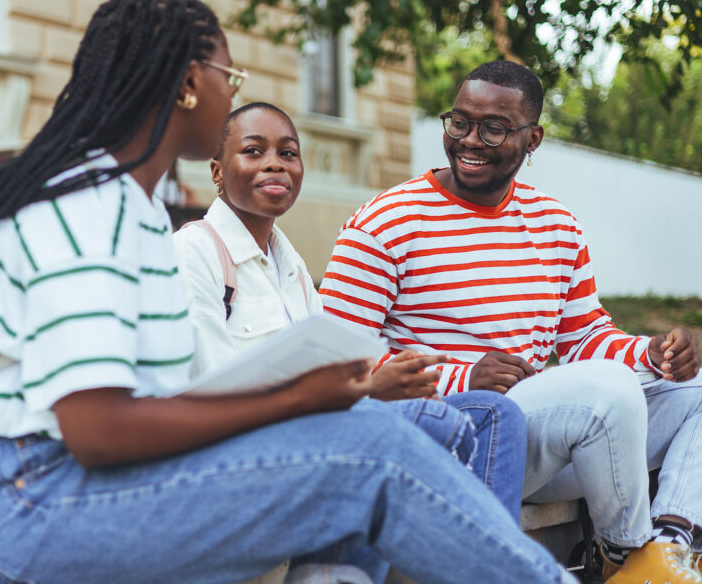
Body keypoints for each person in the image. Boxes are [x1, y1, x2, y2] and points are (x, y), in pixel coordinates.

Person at [0, 0, 584, 584]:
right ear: (188, 85)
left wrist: (316, 401)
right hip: (20, 505)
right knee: (373, 453)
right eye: (228, 79)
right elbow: (97, 431)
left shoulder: (133, 203)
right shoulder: (93, 206)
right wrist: (298, 397)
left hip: (51, 482)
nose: (231, 96)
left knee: (358, 431)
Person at [320, 59, 702, 584]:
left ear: (532, 138)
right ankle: (623, 551)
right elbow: (335, 361)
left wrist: (654, 353)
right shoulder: (386, 221)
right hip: (462, 436)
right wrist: (462, 378)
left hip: (548, 436)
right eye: (459, 122)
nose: (470, 139)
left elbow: (587, 339)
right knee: (604, 391)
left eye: (494, 127)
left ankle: (665, 551)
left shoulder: (555, 225)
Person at [174, 101, 527, 522]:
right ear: (217, 171)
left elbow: (330, 373)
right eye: (254, 151)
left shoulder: (294, 269)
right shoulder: (194, 252)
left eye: (288, 153)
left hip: (319, 431)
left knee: (495, 412)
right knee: (434, 424)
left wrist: (388, 381)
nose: (275, 165)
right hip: (249, 454)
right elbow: (212, 398)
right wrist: (368, 390)